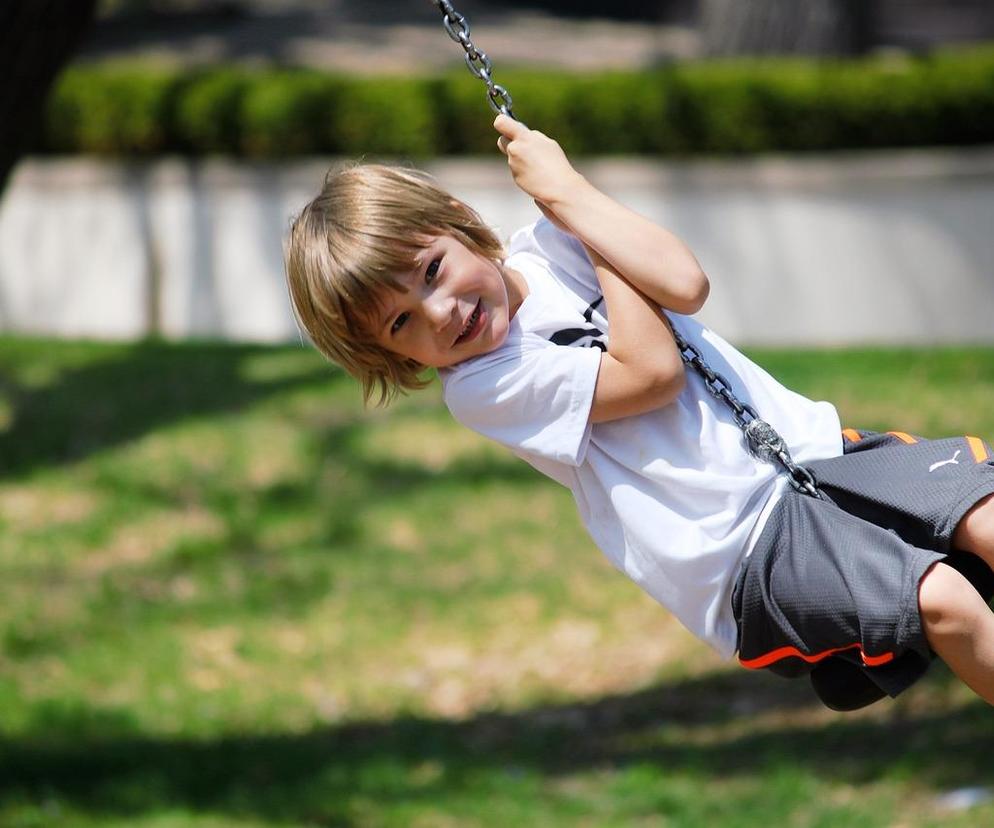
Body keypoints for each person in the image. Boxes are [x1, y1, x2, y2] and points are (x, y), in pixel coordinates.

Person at [285, 114, 994, 710]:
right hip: (743, 551)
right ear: (394, 356)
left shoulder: (553, 239)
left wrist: (570, 194)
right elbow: (650, 373)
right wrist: (583, 222)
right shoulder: (483, 385)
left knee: (985, 514)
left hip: (818, 456)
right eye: (402, 324)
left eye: (433, 271)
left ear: (460, 225)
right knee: (945, 600)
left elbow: (685, 282)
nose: (441, 314)